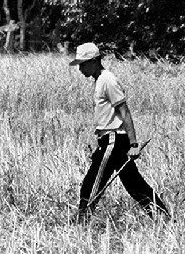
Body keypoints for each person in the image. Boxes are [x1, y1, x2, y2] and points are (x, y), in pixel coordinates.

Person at [69, 42, 171, 222]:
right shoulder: (100, 80)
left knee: (91, 184)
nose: (80, 68)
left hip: (113, 140)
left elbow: (124, 111)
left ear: (94, 61)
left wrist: (133, 144)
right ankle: (163, 218)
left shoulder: (108, 80)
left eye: (83, 64)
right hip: (109, 140)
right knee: (134, 184)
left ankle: (81, 222)